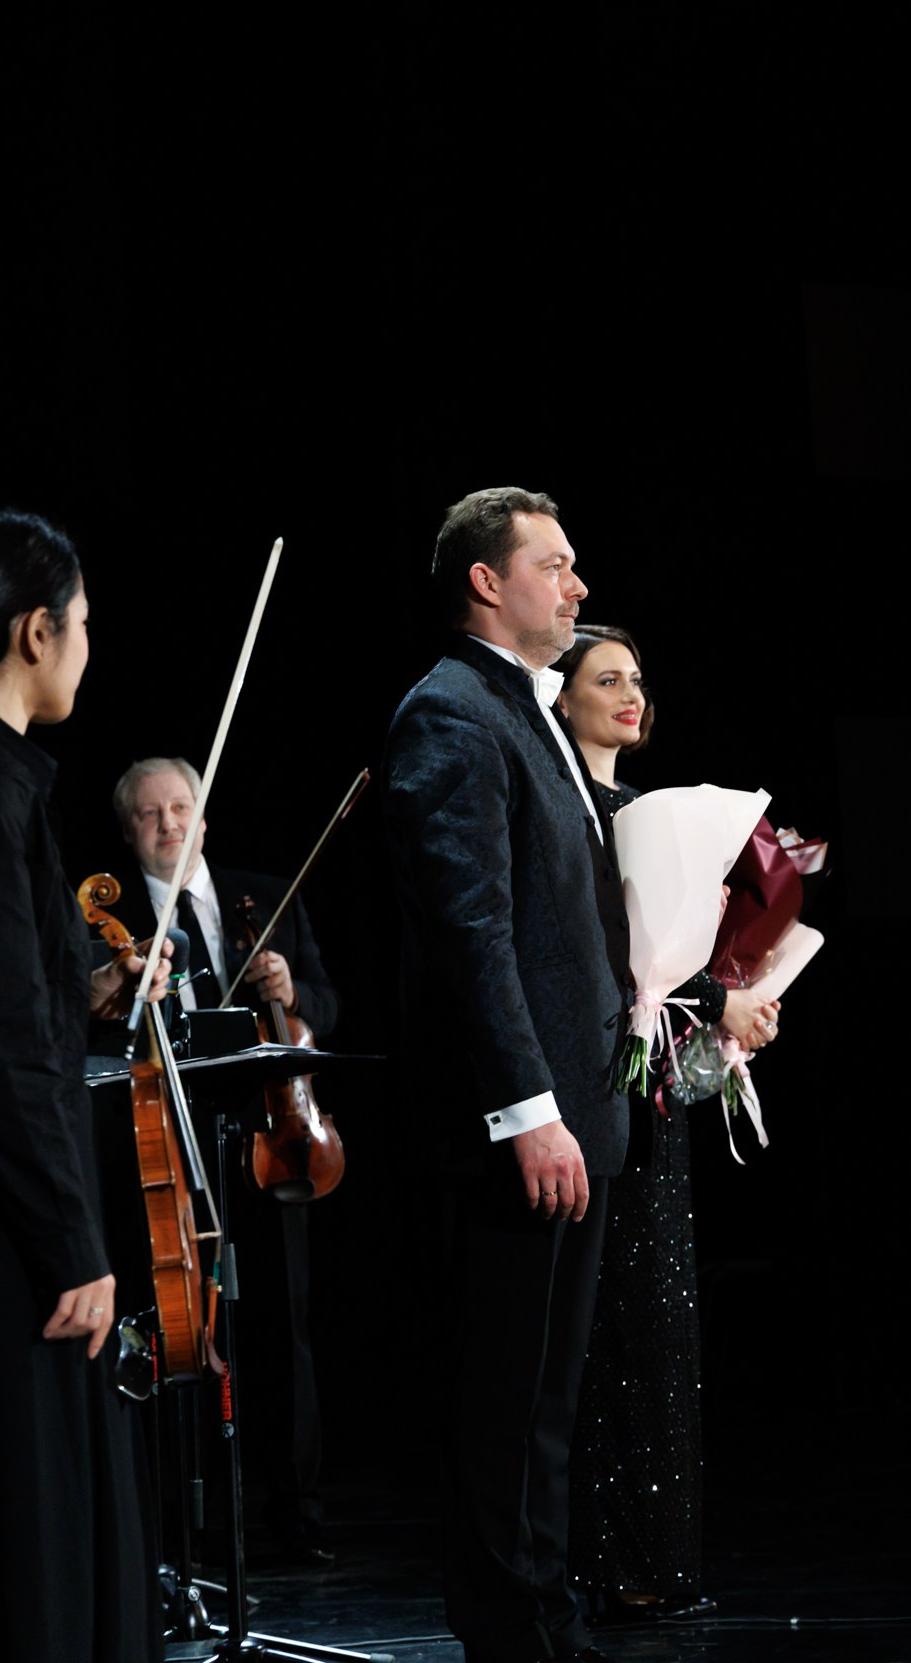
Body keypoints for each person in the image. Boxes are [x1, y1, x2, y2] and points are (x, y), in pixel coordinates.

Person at [382, 487, 631, 1663]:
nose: (577, 587)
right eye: (556, 564)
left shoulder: (527, 717)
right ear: (488, 582)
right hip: (521, 1131)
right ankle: (511, 1631)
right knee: (502, 1401)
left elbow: (569, 923)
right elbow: (472, 932)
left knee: (545, 1401)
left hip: (576, 1114)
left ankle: (543, 1619)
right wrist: (528, 1111)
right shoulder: (452, 714)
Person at [0, 508, 168, 1663]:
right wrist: (73, 1240)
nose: (87, 646)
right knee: (28, 1544)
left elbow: (5, 1000)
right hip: (1, 1232)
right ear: (36, 631)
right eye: (81, 625)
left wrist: (87, 989)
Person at [554, 624, 780, 1624]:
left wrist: (736, 1000)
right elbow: (604, 962)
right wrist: (706, 997)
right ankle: (609, 1559)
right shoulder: (565, 810)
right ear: (558, 698)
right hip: (592, 1095)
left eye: (636, 678)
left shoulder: (649, 810)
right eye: (606, 679)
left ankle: (660, 1555)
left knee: (660, 1330)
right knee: (607, 1331)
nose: (629, 693)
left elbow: (673, 956)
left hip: (654, 1101)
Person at [101, 754, 342, 1568]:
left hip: (269, 1136)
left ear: (203, 819)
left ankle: (295, 1508)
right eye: (148, 815)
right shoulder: (113, 918)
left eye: (180, 810)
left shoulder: (265, 896)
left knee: (284, 1326)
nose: (168, 826)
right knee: (177, 1327)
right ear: (128, 830)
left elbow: (329, 1007)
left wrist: (294, 989)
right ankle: (184, 1515)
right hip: (163, 1139)